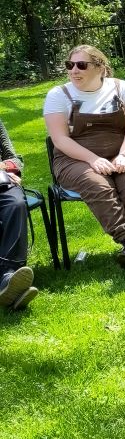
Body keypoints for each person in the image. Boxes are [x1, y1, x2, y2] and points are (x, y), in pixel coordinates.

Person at [43, 45, 125, 270]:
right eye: (70, 65)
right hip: (73, 159)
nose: (74, 70)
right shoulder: (58, 95)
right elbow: (60, 140)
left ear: (100, 67)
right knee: (99, 186)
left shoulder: (121, 88)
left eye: (81, 65)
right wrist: (92, 159)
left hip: (121, 152)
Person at [0, 118, 37, 310]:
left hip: (1, 182)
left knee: (16, 204)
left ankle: (9, 276)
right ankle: (9, 282)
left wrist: (5, 168)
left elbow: (14, 159)